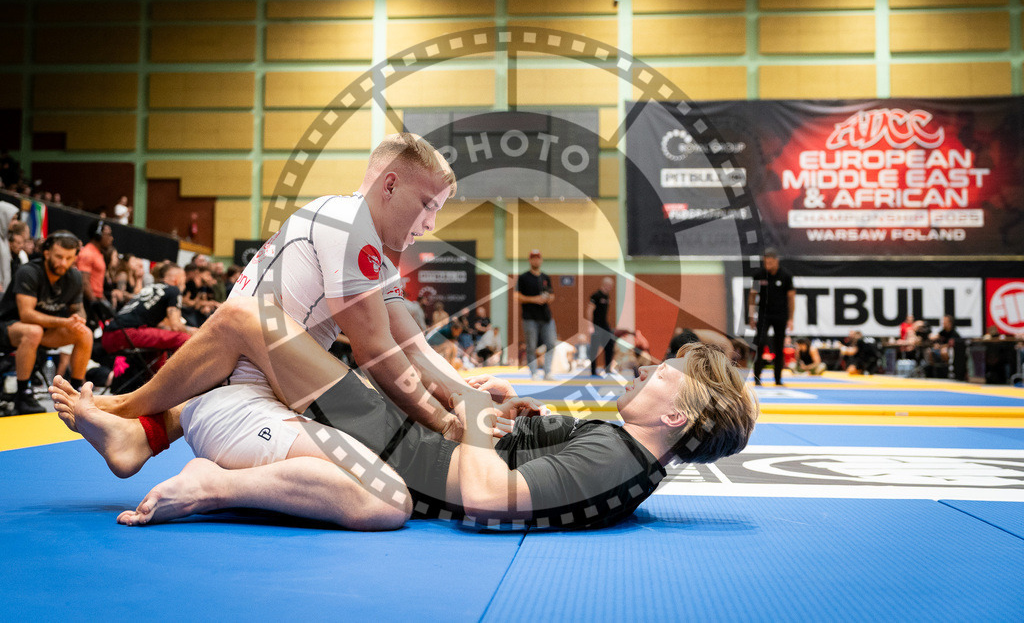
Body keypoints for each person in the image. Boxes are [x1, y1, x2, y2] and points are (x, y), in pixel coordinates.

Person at [50, 295, 758, 530]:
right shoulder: (627, 451)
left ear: (676, 419)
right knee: (331, 330)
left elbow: (485, 494)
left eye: (669, 375)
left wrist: (474, 416)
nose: (654, 369)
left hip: (403, 452)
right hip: (417, 444)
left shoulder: (617, 459)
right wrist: (509, 410)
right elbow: (540, 451)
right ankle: (147, 427)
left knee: (249, 321)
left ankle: (129, 417)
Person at [80, 133, 477, 463]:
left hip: (258, 397)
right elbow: (376, 349)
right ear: (389, 185)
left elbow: (415, 347)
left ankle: (147, 431)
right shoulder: (346, 223)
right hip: (241, 406)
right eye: (428, 206)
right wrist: (446, 421)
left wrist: (467, 395)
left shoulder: (372, 253)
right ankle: (164, 443)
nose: (430, 224)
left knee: (401, 454)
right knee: (383, 484)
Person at [0, 231, 93, 414]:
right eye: (59, 256)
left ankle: (74, 394)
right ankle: (23, 394)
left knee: (85, 332)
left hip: (45, 331)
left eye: (68, 258)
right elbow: (26, 315)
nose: (63, 263)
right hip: (10, 327)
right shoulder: (29, 272)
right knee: (33, 330)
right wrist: (64, 321)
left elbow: (78, 309)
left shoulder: (73, 277)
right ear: (47, 253)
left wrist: (78, 318)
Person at [100, 263, 194, 359]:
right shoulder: (174, 290)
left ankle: (154, 374)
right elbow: (176, 326)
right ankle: (175, 374)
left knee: (159, 343)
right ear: (177, 279)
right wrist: (195, 332)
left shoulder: (151, 287)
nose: (185, 282)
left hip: (108, 335)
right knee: (183, 338)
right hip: (124, 334)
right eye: (184, 277)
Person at [747, 247, 794, 387]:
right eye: (765, 263)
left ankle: (778, 379)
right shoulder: (759, 275)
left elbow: (791, 298)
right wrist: (751, 316)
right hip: (764, 314)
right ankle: (757, 378)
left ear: (776, 261)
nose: (767, 265)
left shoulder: (786, 276)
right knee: (760, 344)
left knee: (779, 347)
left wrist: (790, 318)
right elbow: (752, 295)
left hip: (781, 314)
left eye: (770, 263)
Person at [516, 249, 556, 380]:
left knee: (551, 343)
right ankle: (533, 372)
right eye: (533, 258)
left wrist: (548, 298)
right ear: (530, 260)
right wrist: (534, 299)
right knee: (531, 346)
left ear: (541, 260)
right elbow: (517, 295)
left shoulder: (545, 277)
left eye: (538, 258)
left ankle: (547, 371)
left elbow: (552, 294)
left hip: (546, 317)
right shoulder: (523, 277)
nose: (536, 260)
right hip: (530, 317)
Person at [77, 221, 113, 316]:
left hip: (96, 299)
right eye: (108, 234)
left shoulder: (98, 253)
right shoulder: (88, 253)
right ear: (98, 235)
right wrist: (95, 305)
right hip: (88, 302)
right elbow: (84, 282)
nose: (111, 238)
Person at [586, 276, 615, 377]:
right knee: (594, 348)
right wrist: (590, 325)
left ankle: (607, 369)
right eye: (610, 286)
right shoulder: (596, 295)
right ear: (605, 284)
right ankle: (593, 371)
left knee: (610, 345)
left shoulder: (607, 297)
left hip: (605, 325)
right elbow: (589, 310)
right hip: (596, 325)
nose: (611, 288)